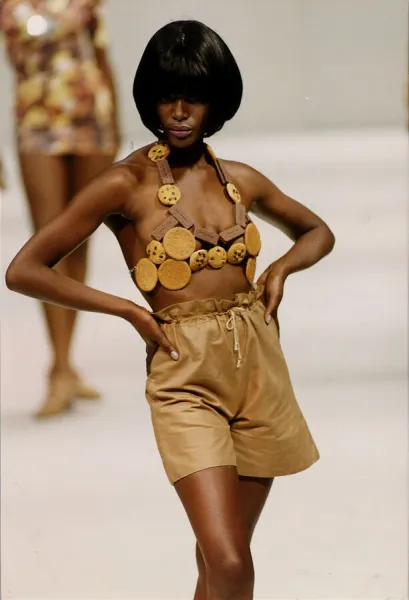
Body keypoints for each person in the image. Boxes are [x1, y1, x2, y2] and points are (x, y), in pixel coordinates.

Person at [6, 20, 335, 600]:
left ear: (218, 101)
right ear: (150, 98)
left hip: (259, 368)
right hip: (184, 375)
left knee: (219, 561)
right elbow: (25, 269)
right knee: (232, 564)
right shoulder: (126, 184)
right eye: (167, 96)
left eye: (195, 97)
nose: (180, 111)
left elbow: (317, 232)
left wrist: (281, 268)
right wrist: (130, 311)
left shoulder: (240, 180)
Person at [1, 0, 119, 418]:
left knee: (80, 239)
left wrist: (118, 127)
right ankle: (60, 366)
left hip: (91, 117)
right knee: (47, 244)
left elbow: (100, 54)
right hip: (36, 119)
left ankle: (65, 362)